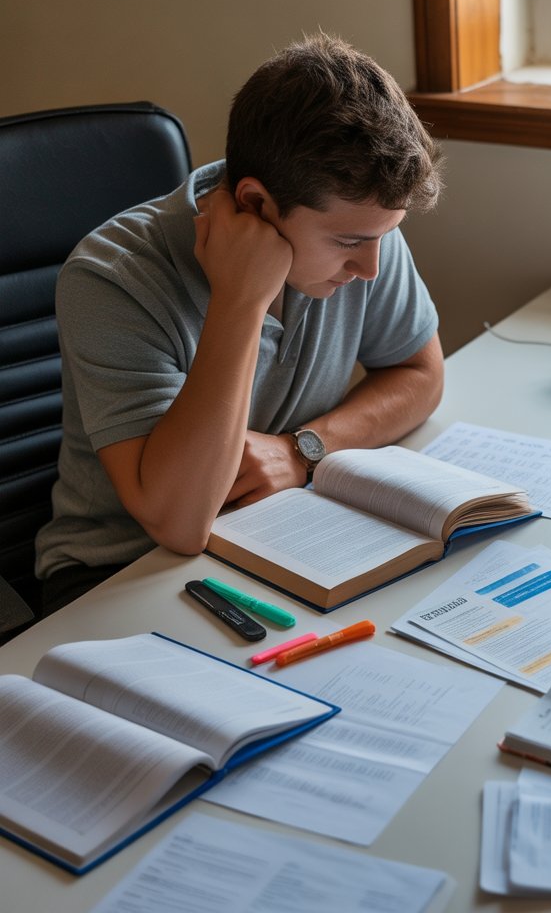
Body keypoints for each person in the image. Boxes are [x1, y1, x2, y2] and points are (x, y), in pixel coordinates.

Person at [34, 32, 445, 614]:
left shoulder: (364, 229)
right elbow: (179, 524)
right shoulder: (112, 277)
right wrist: (241, 300)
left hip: (272, 533)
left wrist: (303, 452)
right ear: (255, 206)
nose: (371, 268)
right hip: (119, 575)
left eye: (383, 237)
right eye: (349, 242)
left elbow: (420, 373)